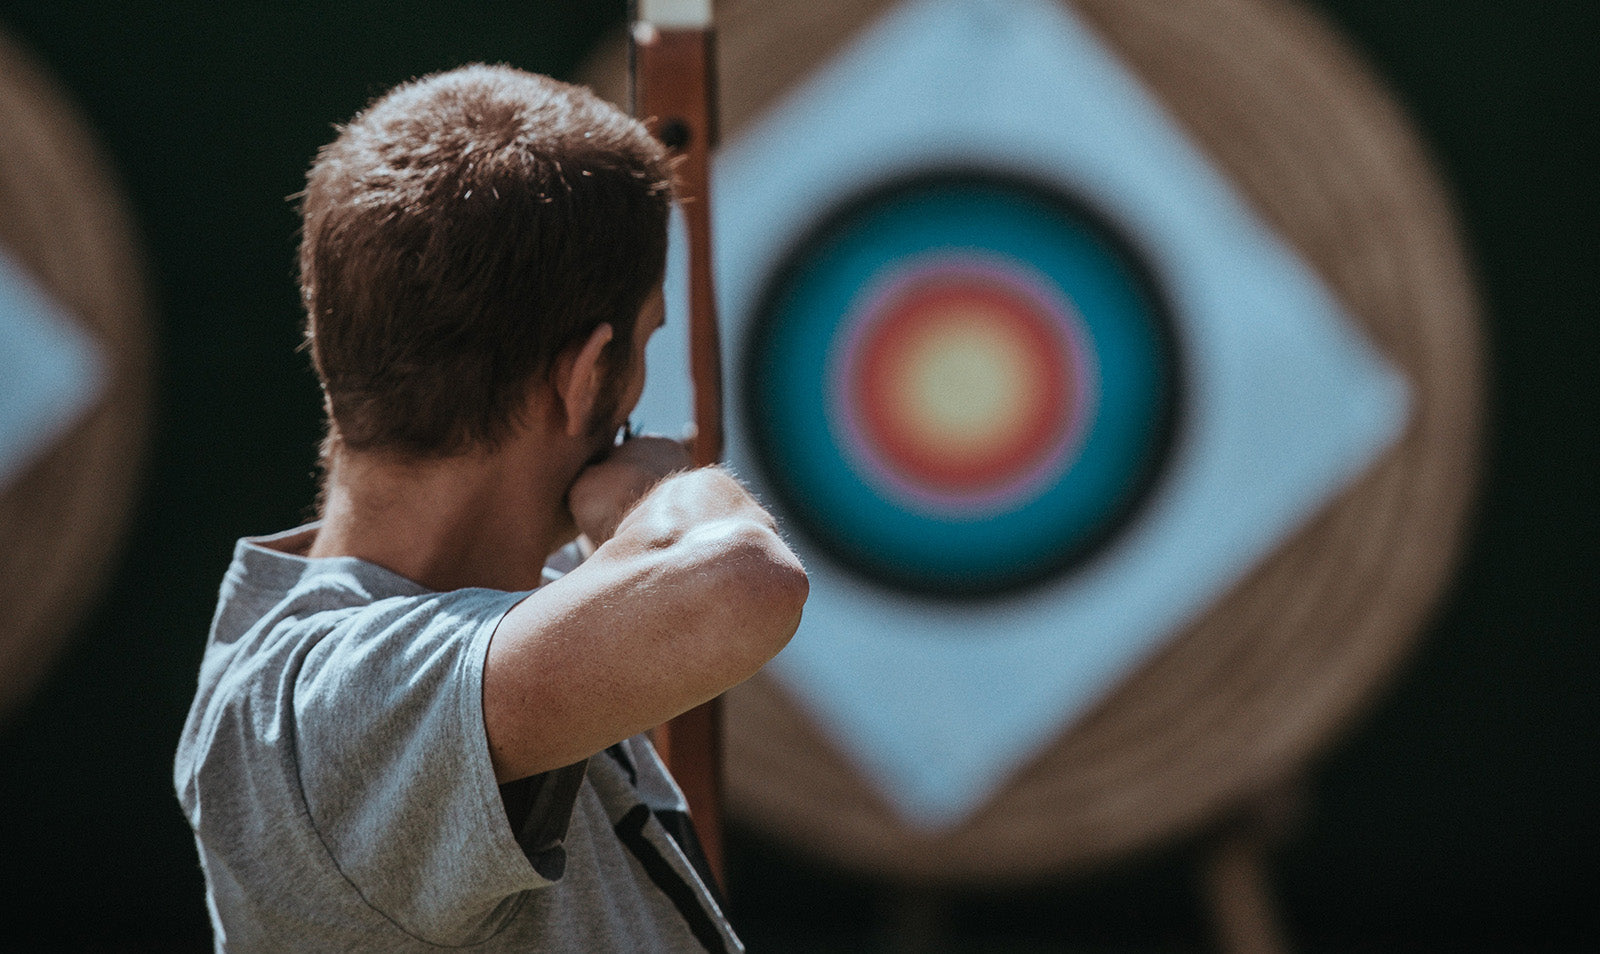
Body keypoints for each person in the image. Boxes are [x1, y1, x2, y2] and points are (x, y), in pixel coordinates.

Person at [174, 64, 808, 952]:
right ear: (588, 377)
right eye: (645, 344)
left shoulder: (517, 617)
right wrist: (656, 496)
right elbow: (739, 585)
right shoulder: (316, 709)